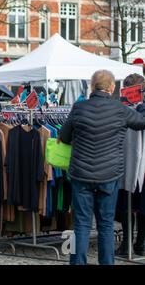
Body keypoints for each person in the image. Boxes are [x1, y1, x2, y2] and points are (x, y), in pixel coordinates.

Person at [59, 70, 145, 265]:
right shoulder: (120, 110)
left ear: (91, 86)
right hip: (109, 175)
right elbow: (142, 123)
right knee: (106, 225)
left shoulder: (78, 108)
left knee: (81, 224)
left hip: (81, 176)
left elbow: (63, 136)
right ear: (112, 87)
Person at [116, 73, 145, 256]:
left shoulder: (121, 110)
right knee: (131, 206)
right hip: (124, 164)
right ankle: (132, 242)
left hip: (131, 165)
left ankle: (137, 242)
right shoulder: (121, 110)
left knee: (137, 206)